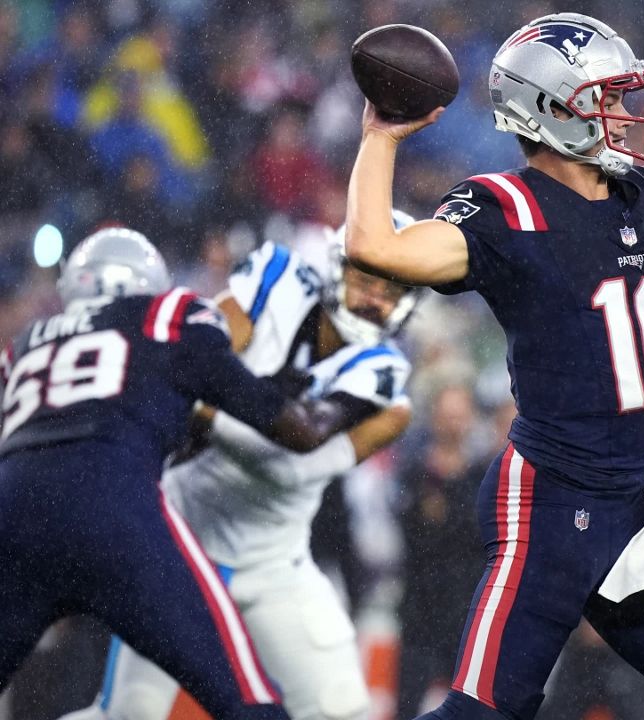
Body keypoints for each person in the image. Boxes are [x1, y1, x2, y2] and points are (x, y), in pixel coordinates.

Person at [344, 12, 644, 720]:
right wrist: (380, 137)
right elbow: (376, 247)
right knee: (483, 711)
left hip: (631, 501)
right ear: (550, 107)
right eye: (608, 99)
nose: (626, 116)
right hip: (549, 500)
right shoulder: (504, 209)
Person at [69, 218, 421, 720]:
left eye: (393, 290)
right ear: (335, 266)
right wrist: (219, 408)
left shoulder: (386, 378)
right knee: (131, 713)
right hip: (181, 541)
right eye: (368, 279)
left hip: (272, 561)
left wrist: (210, 412)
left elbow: (296, 452)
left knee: (341, 710)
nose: (375, 300)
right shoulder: (278, 279)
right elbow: (197, 359)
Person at [0, 227, 351, 719]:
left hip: (12, 513)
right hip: (112, 501)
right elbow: (285, 426)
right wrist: (320, 408)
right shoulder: (167, 315)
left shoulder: (24, 345)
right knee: (246, 696)